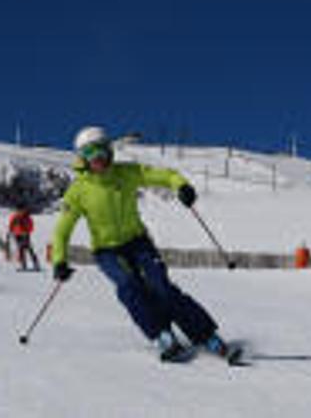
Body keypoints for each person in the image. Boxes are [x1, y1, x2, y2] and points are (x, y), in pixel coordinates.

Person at [51, 126, 232, 362]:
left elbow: (165, 175)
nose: (98, 158)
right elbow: (62, 231)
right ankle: (162, 335)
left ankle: (206, 335)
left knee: (161, 287)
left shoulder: (126, 173)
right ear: (81, 158)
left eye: (102, 151)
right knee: (129, 286)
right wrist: (59, 261)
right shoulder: (77, 192)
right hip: (107, 251)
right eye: (90, 153)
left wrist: (181, 186)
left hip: (138, 243)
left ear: (110, 151)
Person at [6, 206, 40, 271]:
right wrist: (10, 232)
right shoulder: (15, 217)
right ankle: (23, 264)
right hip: (17, 234)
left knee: (29, 248)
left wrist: (27, 232)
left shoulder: (27, 217)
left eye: (22, 210)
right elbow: (11, 225)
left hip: (25, 234)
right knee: (20, 249)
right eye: (20, 210)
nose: (21, 211)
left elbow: (31, 226)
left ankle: (35, 263)